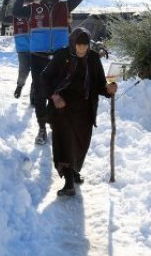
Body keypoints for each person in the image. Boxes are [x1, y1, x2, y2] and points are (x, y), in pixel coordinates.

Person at [12, 0, 87, 145]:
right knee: (40, 92)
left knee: (60, 91)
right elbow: (15, 11)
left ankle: (57, 124)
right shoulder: (34, 8)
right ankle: (42, 128)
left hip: (60, 57)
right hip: (38, 57)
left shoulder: (65, 6)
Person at [42, 27, 117, 196]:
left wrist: (108, 89)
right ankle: (69, 182)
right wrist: (54, 96)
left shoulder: (92, 59)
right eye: (79, 45)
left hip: (85, 109)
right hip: (63, 107)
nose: (82, 49)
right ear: (73, 43)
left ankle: (74, 171)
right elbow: (45, 77)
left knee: (81, 144)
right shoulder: (62, 56)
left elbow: (99, 84)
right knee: (66, 142)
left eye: (85, 45)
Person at [2, 0, 34, 101]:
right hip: (22, 49)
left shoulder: (36, 14)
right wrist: (4, 4)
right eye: (24, 2)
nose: (25, 4)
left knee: (37, 72)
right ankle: (19, 86)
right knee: (23, 70)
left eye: (28, 2)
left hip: (37, 48)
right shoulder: (15, 16)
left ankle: (34, 94)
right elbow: (2, 19)